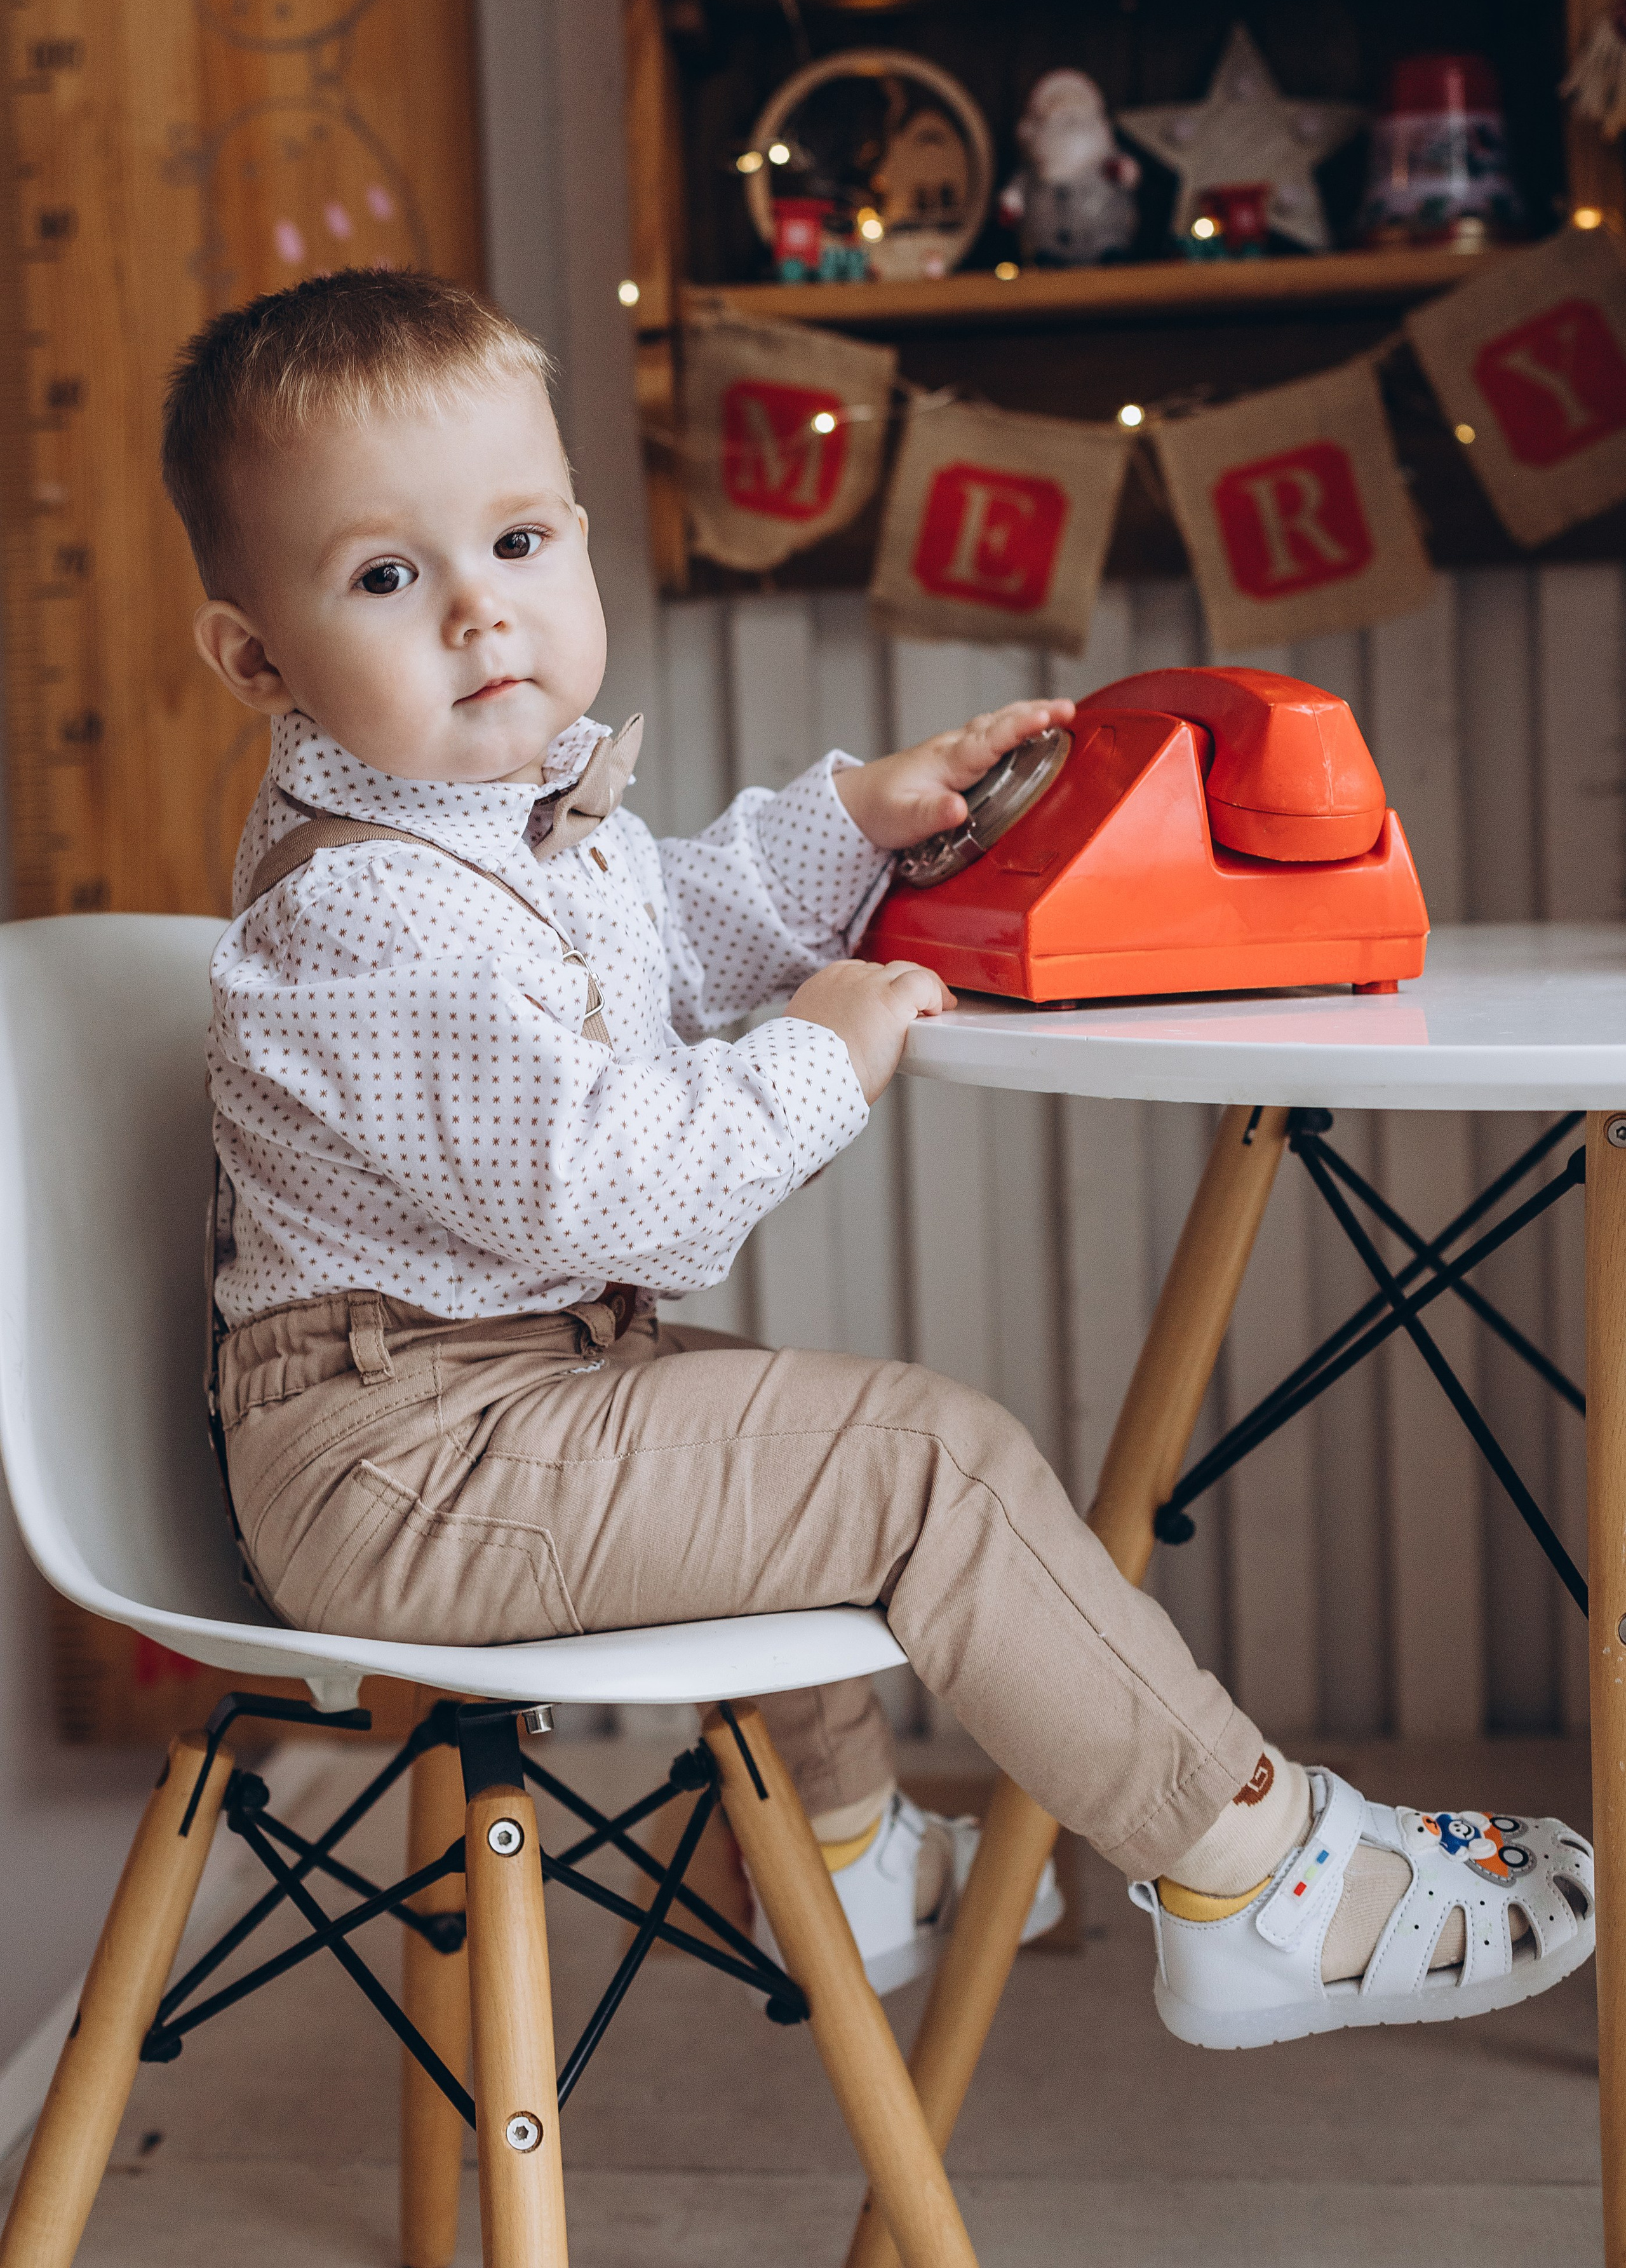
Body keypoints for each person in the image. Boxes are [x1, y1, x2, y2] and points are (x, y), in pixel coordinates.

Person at [170, 267, 1592, 2047]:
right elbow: (629, 1192)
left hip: (471, 1405)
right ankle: (1260, 1876)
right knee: (923, 1464)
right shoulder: (380, 911)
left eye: (522, 542)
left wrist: (849, 823)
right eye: (390, 576)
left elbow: (663, 928)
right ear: (254, 654)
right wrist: (815, 1058)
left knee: (798, 1439)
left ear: (579, 539)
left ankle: (829, 1859)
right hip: (408, 1456)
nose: (483, 614)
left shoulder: (471, 826)